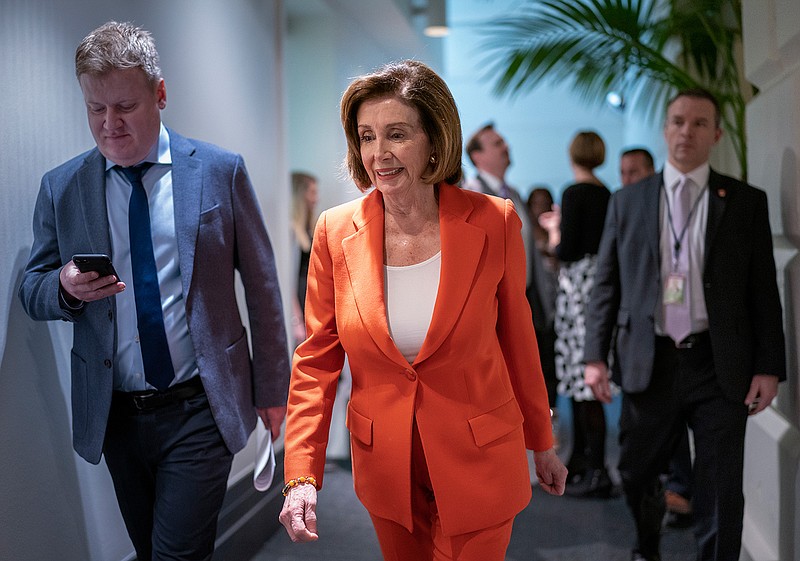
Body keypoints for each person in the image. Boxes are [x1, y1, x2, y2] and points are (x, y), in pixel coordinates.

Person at [18, 21, 290, 561]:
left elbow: (260, 284)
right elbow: (32, 287)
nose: (108, 124)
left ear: (160, 94)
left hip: (201, 405)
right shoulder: (63, 187)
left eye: (124, 107)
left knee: (176, 556)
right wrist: (66, 288)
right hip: (118, 414)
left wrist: (272, 387)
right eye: (95, 109)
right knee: (151, 552)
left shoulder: (218, 171)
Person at [278, 59, 566, 561]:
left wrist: (542, 440)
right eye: (367, 136)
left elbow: (518, 340)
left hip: (481, 455)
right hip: (388, 467)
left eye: (396, 134)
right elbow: (316, 361)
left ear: (435, 140)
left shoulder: (493, 221)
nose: (378, 154)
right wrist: (301, 472)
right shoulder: (334, 231)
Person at [584, 88, 786, 561]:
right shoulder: (627, 201)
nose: (686, 132)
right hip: (647, 360)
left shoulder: (743, 202)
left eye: (699, 124)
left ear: (715, 134)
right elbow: (606, 284)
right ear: (664, 129)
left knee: (719, 486)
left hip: (718, 364)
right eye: (677, 121)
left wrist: (769, 366)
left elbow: (763, 292)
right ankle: (647, 546)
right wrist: (594, 356)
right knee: (636, 471)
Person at [620, 146, 694, 527]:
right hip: (642, 347)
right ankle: (647, 534)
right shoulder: (624, 206)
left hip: (690, 344)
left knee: (679, 429)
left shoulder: (681, 206)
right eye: (623, 172)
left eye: (635, 171)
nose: (628, 179)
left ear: (652, 172)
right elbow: (610, 281)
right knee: (636, 455)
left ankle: (680, 491)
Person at [540, 131, 614, 498]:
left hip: (577, 290)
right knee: (592, 379)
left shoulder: (573, 193)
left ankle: (592, 466)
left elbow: (565, 250)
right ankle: (593, 464)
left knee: (581, 382)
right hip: (599, 289)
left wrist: (553, 231)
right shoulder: (607, 193)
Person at [526, 187, 559, 415]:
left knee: (551, 368)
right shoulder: (523, 235)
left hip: (557, 308)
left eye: (545, 202)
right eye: (536, 203)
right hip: (533, 307)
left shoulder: (555, 232)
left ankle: (551, 419)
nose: (540, 207)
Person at [290, 171, 319, 346]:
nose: (316, 199)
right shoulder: (292, 231)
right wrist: (296, 318)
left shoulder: (310, 228)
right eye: (312, 193)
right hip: (301, 300)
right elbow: (288, 280)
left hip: (313, 298)